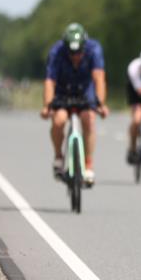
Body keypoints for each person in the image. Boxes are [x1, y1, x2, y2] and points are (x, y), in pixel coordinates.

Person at [40, 23, 109, 186]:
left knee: (89, 118)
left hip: (85, 90)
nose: (75, 56)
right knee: (59, 120)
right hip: (63, 89)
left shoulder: (94, 49)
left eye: (79, 52)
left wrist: (101, 103)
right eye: (71, 53)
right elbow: (50, 81)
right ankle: (58, 157)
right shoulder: (56, 51)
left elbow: (99, 77)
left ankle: (88, 163)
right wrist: (47, 106)